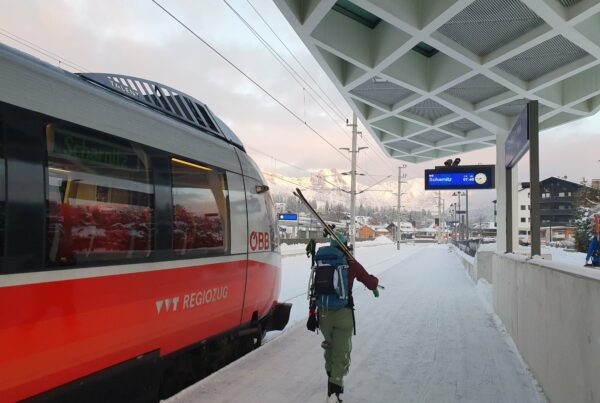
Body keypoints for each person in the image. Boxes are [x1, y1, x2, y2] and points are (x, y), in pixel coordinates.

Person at [308, 231, 382, 403]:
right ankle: (335, 388)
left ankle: (330, 376)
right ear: (345, 246)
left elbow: (314, 289)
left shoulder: (321, 261)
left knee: (330, 346)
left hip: (323, 312)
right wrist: (375, 283)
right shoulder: (350, 263)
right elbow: (370, 282)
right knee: (342, 350)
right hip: (343, 313)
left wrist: (312, 313)